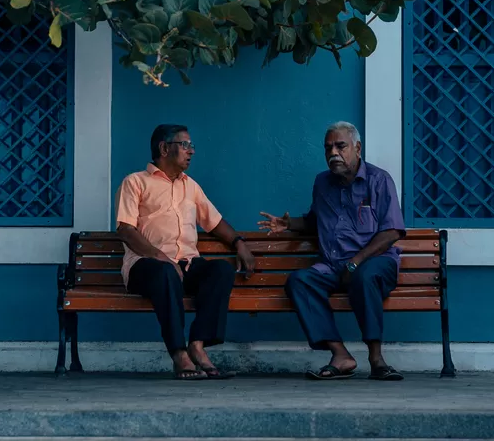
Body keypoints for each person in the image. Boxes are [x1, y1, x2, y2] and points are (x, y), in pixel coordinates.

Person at [259, 121, 406, 381]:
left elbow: (392, 231)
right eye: (328, 148)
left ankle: (376, 358)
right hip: (334, 265)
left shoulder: (378, 180)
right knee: (299, 281)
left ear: (357, 148)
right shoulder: (322, 183)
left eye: (341, 146)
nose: (333, 153)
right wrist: (289, 223)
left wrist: (356, 262)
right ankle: (341, 355)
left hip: (375, 261)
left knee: (365, 276)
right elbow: (317, 220)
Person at [115, 124, 255, 380]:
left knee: (221, 270)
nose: (191, 151)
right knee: (165, 273)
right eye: (185, 145)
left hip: (186, 265)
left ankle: (197, 345)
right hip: (146, 265)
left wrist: (238, 243)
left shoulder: (190, 186)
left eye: (192, 146)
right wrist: (160, 257)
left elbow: (214, 221)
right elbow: (125, 229)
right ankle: (179, 353)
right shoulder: (135, 182)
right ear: (164, 148)